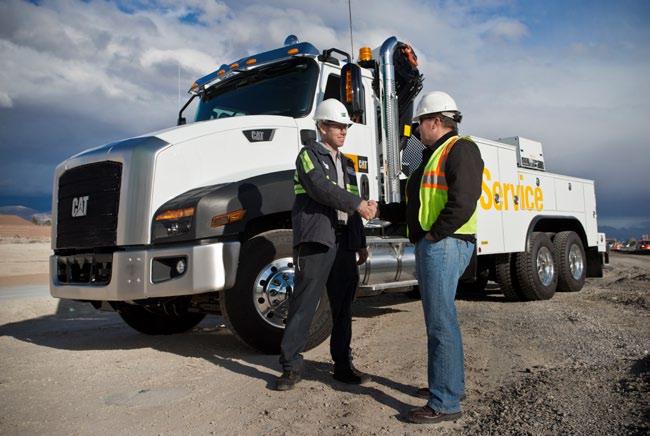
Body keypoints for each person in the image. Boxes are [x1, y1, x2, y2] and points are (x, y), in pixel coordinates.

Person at [379, 91, 484, 423]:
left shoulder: (460, 149)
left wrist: (433, 236)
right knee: (443, 320)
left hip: (445, 243)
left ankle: (445, 402)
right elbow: (417, 205)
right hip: (439, 242)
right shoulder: (431, 155)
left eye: (420, 123)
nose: (416, 129)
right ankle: (449, 386)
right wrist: (379, 209)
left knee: (440, 323)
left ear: (436, 121)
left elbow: (464, 200)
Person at [275, 99, 377, 391]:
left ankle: (343, 366)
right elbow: (321, 189)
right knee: (305, 302)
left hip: (344, 241)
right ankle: (290, 366)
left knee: (343, 306)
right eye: (337, 125)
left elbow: (353, 202)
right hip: (317, 238)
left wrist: (359, 241)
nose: (343, 131)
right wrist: (358, 204)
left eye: (346, 126)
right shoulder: (307, 156)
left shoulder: (347, 163)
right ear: (321, 126)